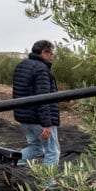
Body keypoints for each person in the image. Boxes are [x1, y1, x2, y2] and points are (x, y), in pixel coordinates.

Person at [12, 40, 60, 169]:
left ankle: (10, 164)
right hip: (38, 119)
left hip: (24, 117)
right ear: (44, 52)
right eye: (51, 53)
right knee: (52, 151)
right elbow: (42, 98)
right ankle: (48, 186)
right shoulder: (41, 69)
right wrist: (46, 124)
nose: (52, 57)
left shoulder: (21, 65)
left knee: (36, 147)